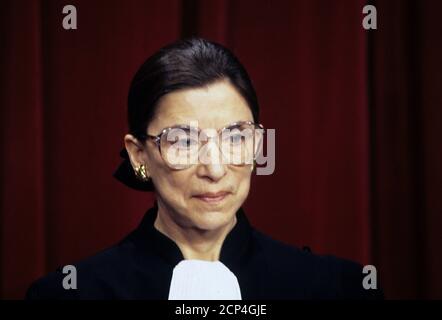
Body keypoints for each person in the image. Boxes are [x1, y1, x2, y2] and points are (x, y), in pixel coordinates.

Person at [26, 38, 382, 300]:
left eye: (235, 136)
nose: (214, 168)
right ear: (139, 155)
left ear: (257, 144)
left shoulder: (340, 289)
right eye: (183, 141)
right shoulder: (69, 295)